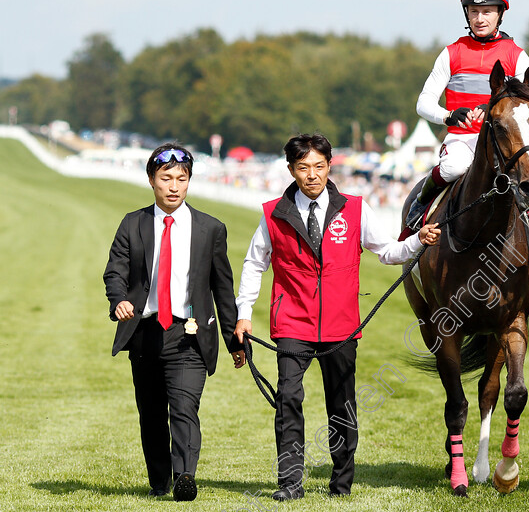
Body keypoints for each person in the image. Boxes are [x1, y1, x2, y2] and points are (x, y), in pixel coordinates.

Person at [234, 133, 441, 501]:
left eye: (318, 166)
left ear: (329, 166)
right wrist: (244, 314)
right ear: (291, 170)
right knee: (288, 399)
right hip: (292, 323)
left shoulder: (356, 209)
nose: (311, 175)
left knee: (342, 405)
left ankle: (342, 483)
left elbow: (388, 251)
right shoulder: (272, 214)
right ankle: (290, 483)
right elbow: (254, 264)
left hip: (341, 325)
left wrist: (417, 241)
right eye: (303, 168)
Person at [103, 143, 243, 501]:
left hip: (189, 336)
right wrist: (119, 300)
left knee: (184, 406)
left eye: (182, 179)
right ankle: (159, 482)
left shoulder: (211, 228)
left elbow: (223, 288)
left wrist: (234, 339)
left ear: (189, 182)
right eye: (166, 178)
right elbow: (115, 271)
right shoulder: (132, 224)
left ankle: (185, 476)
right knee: (151, 415)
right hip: (145, 333)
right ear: (152, 180)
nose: (174, 186)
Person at [405, 0, 529, 230]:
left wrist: (497, 111)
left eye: (487, 11)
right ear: (466, 14)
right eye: (474, 11)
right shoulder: (451, 53)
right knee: (453, 168)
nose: (480, 19)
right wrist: (449, 116)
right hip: (462, 139)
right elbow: (423, 103)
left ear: (500, 14)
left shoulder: (516, 55)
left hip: (503, 143)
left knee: (524, 176)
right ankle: (420, 205)